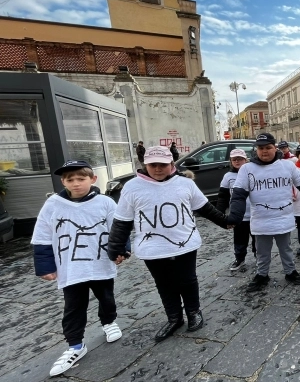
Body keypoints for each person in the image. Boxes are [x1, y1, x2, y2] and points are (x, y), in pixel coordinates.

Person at [107, 146, 229, 341]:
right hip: (153, 247)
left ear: (171, 164)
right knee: (164, 283)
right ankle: (174, 317)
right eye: (153, 165)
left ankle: (193, 312)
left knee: (188, 280)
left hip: (184, 242)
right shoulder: (132, 187)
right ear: (145, 165)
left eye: (162, 164)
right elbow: (122, 220)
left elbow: (205, 208)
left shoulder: (185, 183)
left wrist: (225, 222)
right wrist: (116, 248)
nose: (157, 169)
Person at [32, 160, 123, 377]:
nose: (76, 184)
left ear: (92, 179)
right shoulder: (53, 205)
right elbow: (42, 236)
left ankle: (109, 321)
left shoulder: (105, 202)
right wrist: (45, 266)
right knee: (73, 306)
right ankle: (75, 345)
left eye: (81, 179)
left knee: (106, 297)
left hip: (99, 263)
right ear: (63, 181)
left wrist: (121, 250)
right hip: (71, 268)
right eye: (69, 179)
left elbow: (118, 228)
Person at [227, 133, 300, 292]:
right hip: (261, 219)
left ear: (275, 148)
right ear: (256, 150)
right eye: (260, 148)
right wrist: (235, 217)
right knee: (262, 251)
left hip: (283, 218)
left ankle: (290, 271)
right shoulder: (247, 169)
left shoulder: (287, 166)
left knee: (286, 248)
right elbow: (238, 195)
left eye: (268, 147)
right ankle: (262, 274)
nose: (264, 151)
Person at [217, 149, 256, 270]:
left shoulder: (253, 173)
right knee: (239, 240)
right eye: (234, 159)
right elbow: (223, 196)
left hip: (255, 214)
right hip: (239, 216)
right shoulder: (228, 176)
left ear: (246, 160)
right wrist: (219, 213)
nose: (237, 161)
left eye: (240, 159)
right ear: (231, 162)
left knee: (258, 239)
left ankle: (259, 258)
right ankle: (240, 259)